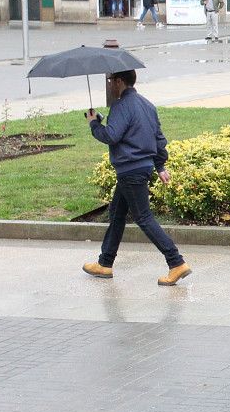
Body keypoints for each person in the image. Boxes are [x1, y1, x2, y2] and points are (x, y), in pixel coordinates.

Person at [82, 70, 191, 286]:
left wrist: (94, 123)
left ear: (120, 81)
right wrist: (160, 165)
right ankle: (105, 263)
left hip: (130, 169)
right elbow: (159, 139)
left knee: (143, 217)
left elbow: (111, 136)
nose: (110, 84)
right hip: (139, 169)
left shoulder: (121, 106)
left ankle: (176, 262)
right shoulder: (148, 105)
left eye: (111, 80)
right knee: (117, 214)